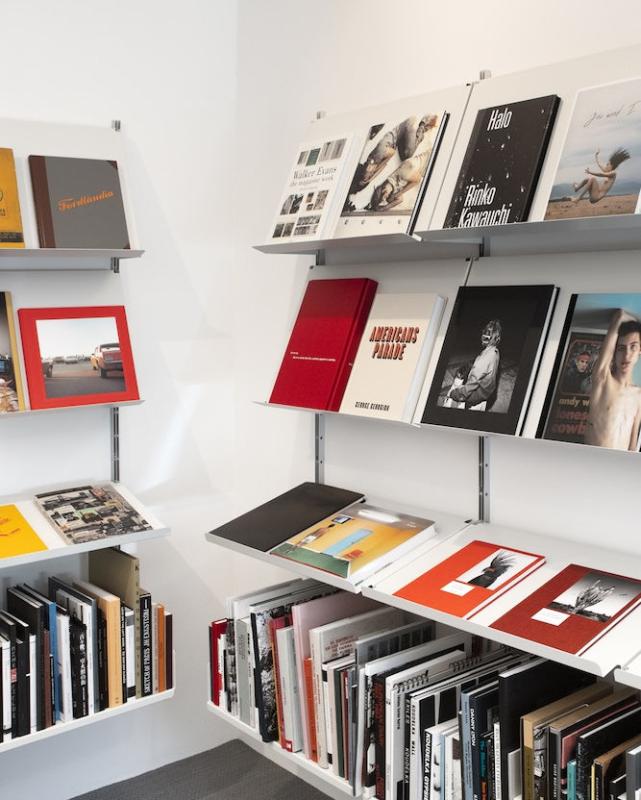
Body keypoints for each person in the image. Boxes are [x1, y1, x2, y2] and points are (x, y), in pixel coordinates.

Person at [585, 308, 641, 450]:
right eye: (621, 348)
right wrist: (623, 320)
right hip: (593, 463)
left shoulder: (639, 395)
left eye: (633, 347)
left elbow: (633, 440)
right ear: (614, 353)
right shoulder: (603, 381)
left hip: (619, 467)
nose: (627, 355)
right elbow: (619, 316)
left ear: (639, 351)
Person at [445, 319, 502, 411]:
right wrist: (471, 366)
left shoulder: (483, 360)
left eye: (487, 336)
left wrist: (454, 394)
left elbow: (468, 389)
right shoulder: (495, 351)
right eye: (484, 334)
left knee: (454, 395)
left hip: (478, 395)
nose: (484, 338)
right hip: (487, 391)